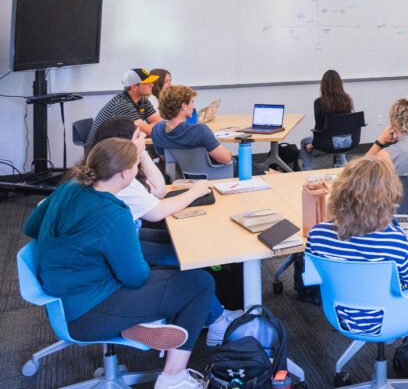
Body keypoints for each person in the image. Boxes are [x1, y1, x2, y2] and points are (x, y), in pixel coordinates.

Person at [23, 138, 214, 389]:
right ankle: (173, 378)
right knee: (199, 282)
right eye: (137, 166)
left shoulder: (71, 186)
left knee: (160, 269)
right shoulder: (114, 213)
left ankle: (142, 320)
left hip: (63, 296)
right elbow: (136, 278)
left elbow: (31, 227)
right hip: (86, 314)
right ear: (124, 173)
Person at [85, 116, 241, 345]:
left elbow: (157, 190)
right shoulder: (118, 180)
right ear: (122, 144)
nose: (144, 138)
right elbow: (158, 211)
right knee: (187, 257)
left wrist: (142, 154)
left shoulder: (116, 170)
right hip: (117, 252)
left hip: (124, 239)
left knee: (182, 243)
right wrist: (195, 192)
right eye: (138, 137)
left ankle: (207, 312)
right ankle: (216, 322)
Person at [306, 156, 408, 333]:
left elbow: (312, 278)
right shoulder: (395, 241)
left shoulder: (317, 233)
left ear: (340, 192)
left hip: (340, 315)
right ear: (389, 198)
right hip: (390, 317)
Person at [150, 85, 268, 176]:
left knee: (254, 164)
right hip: (220, 172)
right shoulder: (200, 131)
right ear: (183, 106)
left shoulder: (157, 130)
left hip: (186, 176)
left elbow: (166, 158)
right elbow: (226, 159)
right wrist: (225, 150)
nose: (193, 105)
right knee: (269, 172)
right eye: (192, 102)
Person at [86, 68, 161, 146]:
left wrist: (150, 127)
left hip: (117, 145)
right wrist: (150, 127)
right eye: (147, 83)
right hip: (100, 150)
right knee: (160, 145)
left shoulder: (142, 99)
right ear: (134, 87)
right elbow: (150, 131)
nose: (152, 85)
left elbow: (159, 123)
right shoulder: (122, 105)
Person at [299, 69, 356, 170]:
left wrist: (313, 143)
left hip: (327, 142)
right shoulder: (347, 100)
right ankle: (341, 163)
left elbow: (319, 128)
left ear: (323, 85)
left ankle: (308, 170)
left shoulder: (319, 102)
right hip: (346, 141)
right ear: (340, 84)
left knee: (305, 142)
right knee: (338, 136)